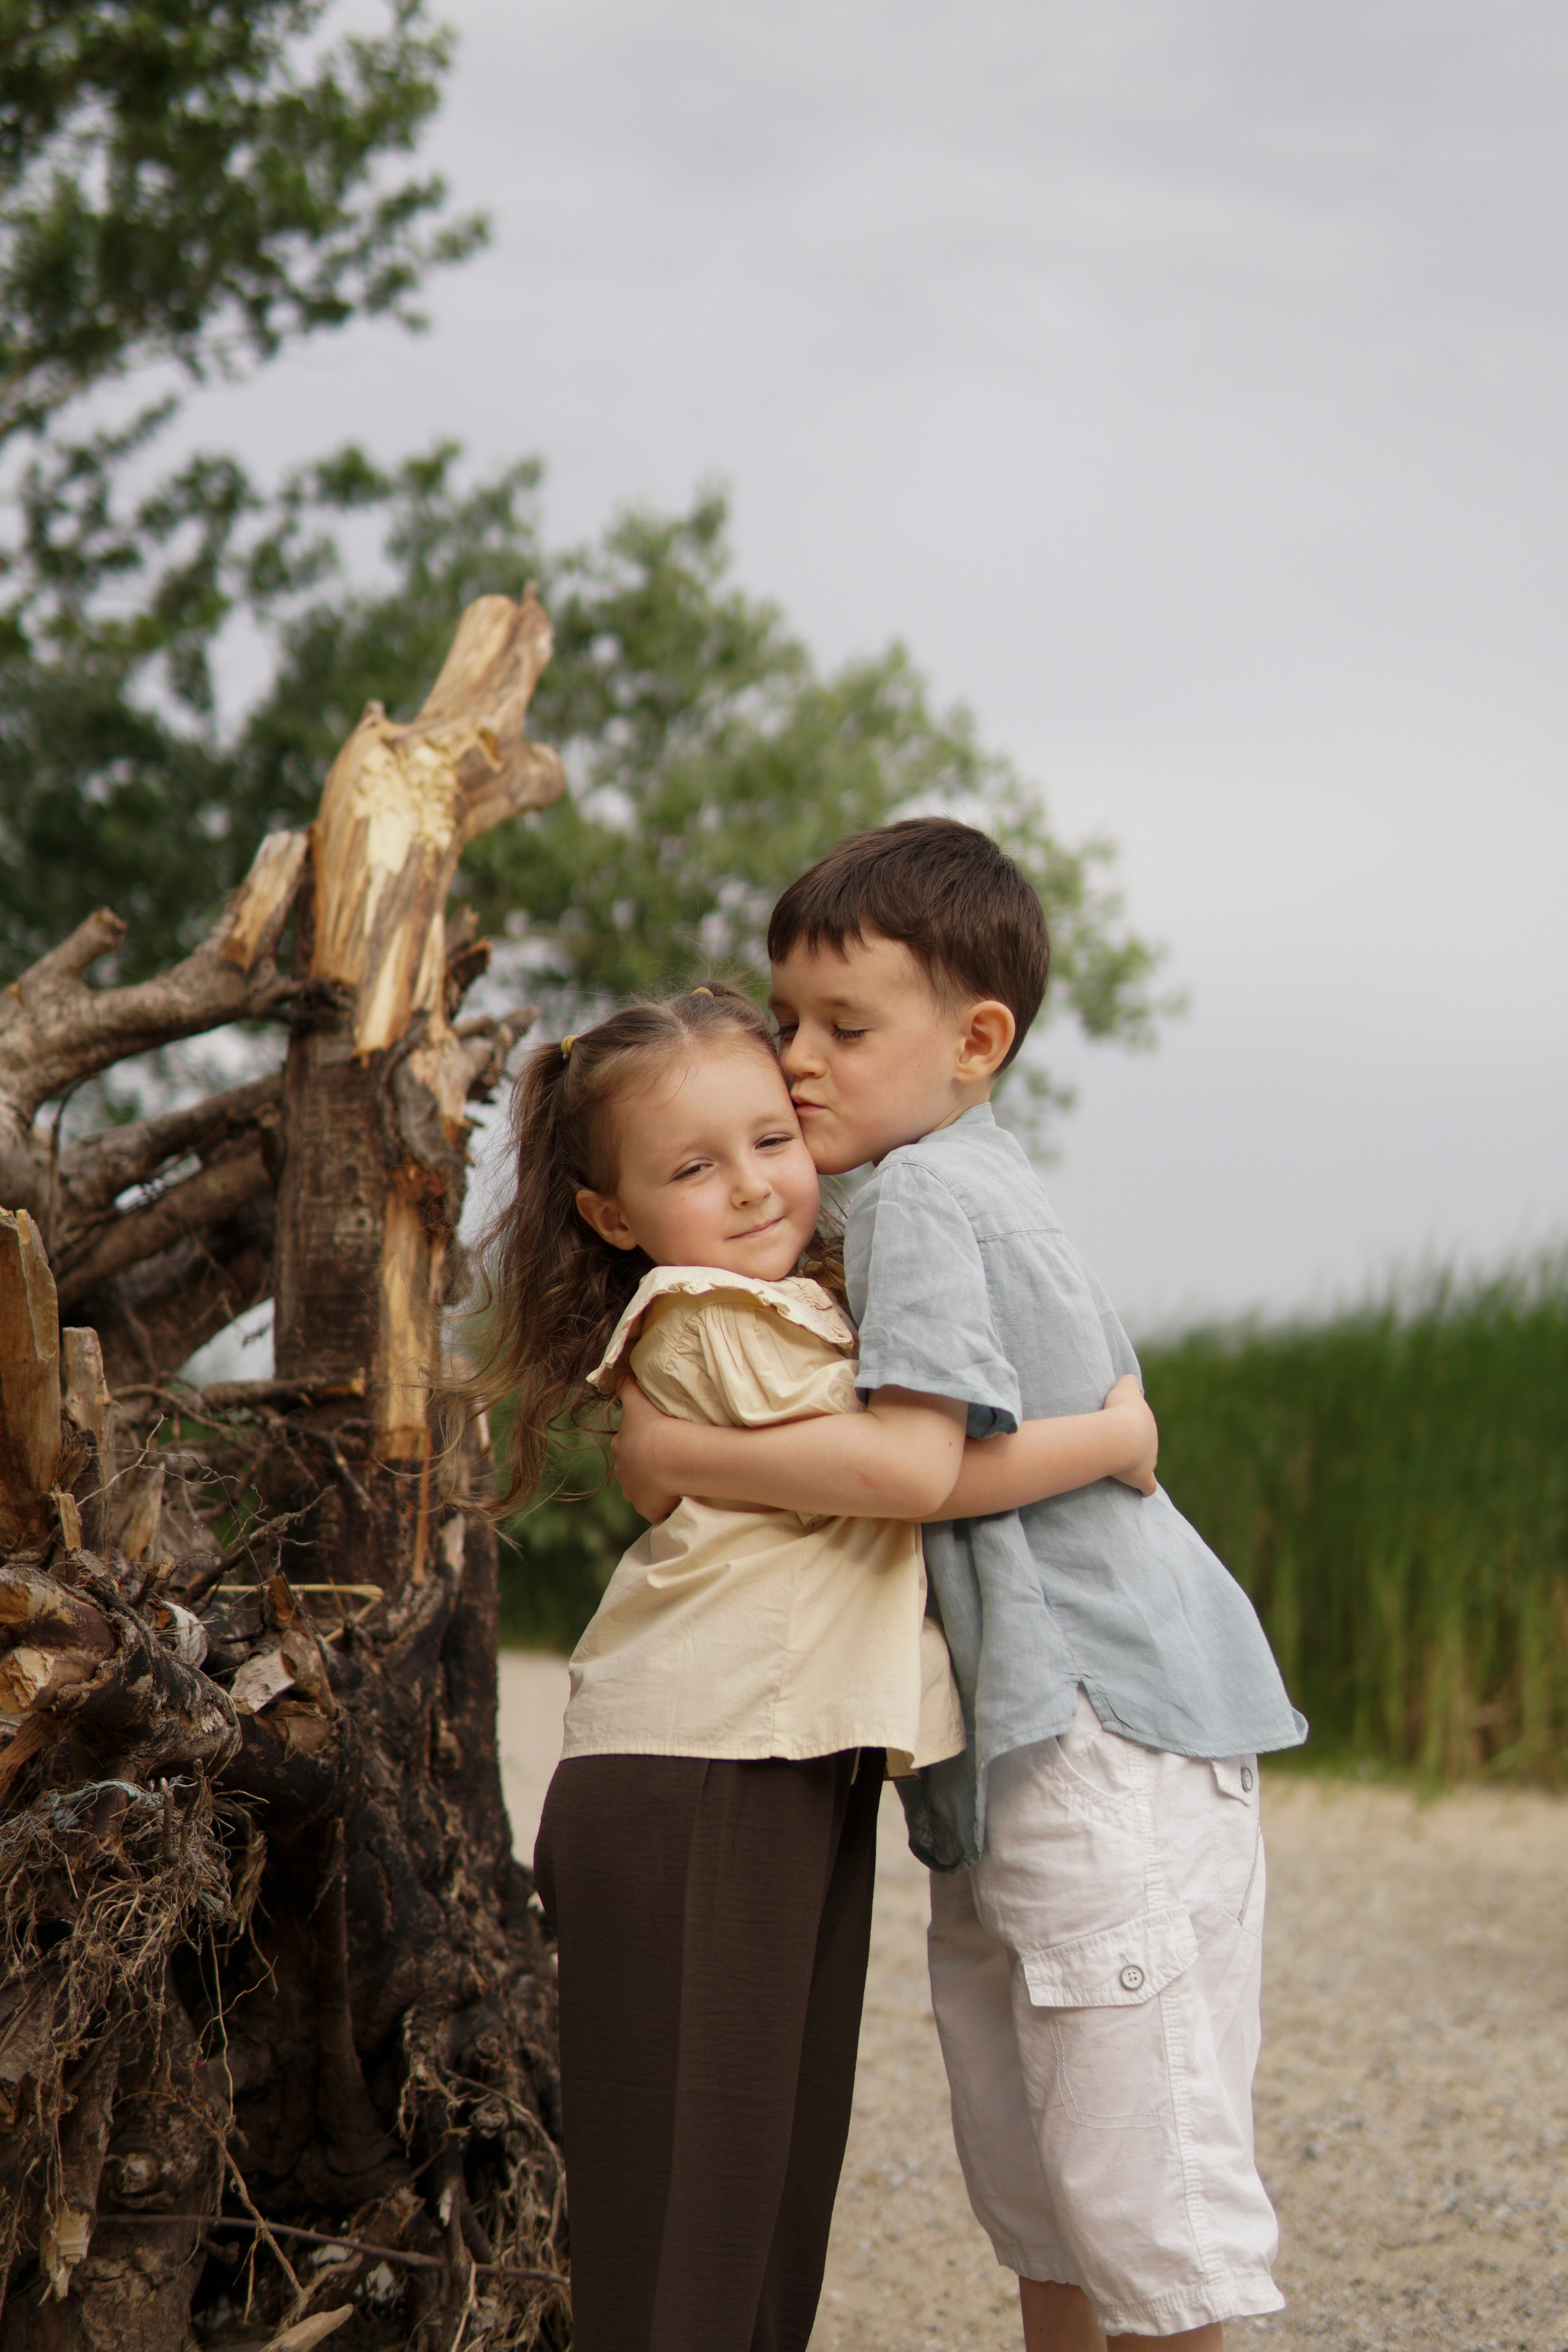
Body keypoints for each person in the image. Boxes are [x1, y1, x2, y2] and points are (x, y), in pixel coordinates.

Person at [613, 820, 1309, 2352]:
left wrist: (673, 1444)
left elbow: (912, 1469)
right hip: (1054, 1737)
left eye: (842, 1028)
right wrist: (1114, 1428)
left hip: (1091, 1729)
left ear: (974, 1040)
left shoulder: (921, 1198)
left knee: (1141, 2202)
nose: (796, 1061)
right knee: (1049, 2180)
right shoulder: (937, 1185)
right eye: (786, 1019)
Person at [473, 979, 1160, 2352]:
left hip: (784, 1759)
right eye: (689, 1167)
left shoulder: (791, 1303)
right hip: (697, 1770)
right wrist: (1116, 1434)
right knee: (684, 2232)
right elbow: (907, 1469)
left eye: (769, 1142)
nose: (747, 1189)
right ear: (612, 1218)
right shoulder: (708, 1319)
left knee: (765, 2205)